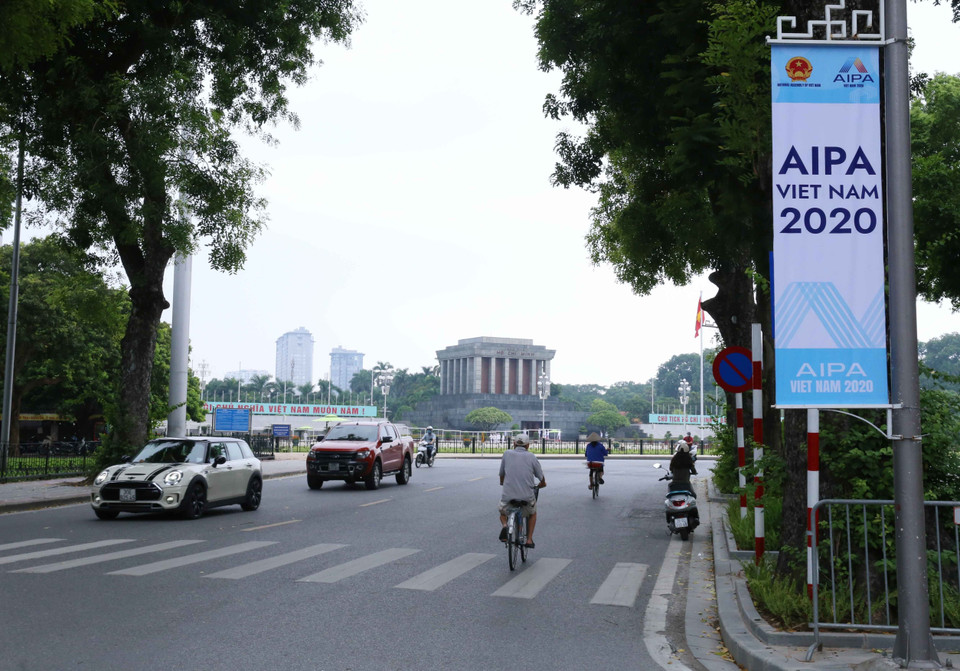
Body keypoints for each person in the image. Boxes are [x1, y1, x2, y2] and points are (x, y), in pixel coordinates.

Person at [498, 433, 546, 548]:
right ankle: (529, 540)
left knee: (502, 512)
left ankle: (505, 525)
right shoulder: (531, 457)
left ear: (514, 444)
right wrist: (542, 484)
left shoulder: (506, 454)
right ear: (528, 445)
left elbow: (501, 474)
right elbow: (541, 476)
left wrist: (502, 482)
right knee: (532, 513)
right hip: (526, 496)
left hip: (508, 495)